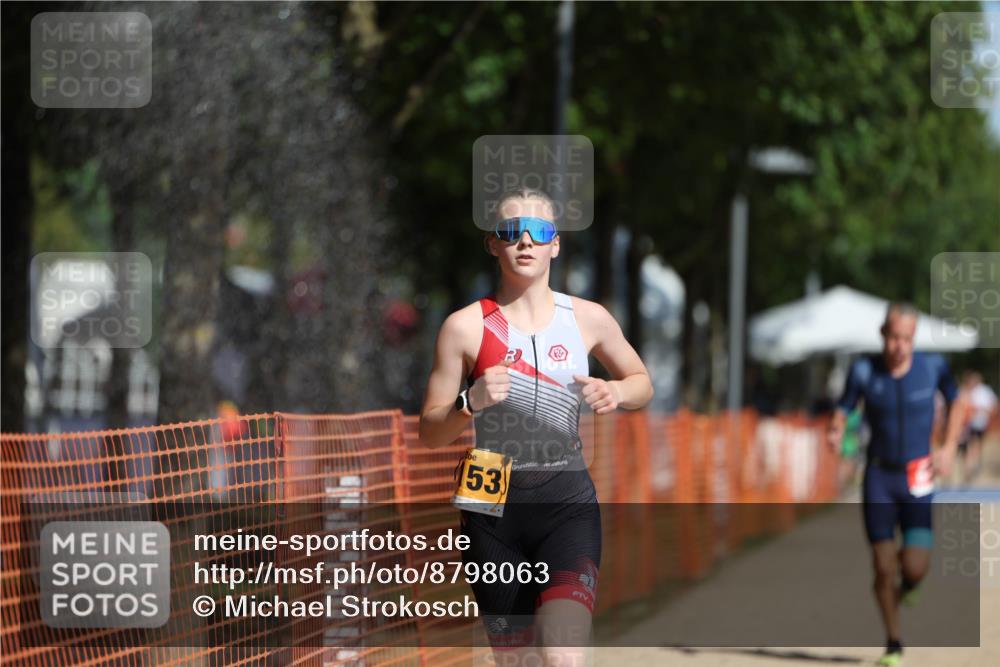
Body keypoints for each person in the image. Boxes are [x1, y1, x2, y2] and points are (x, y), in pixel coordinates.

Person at [419, 187, 653, 666]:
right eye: (510, 231)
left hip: (566, 500)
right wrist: (469, 402)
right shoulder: (465, 327)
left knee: (563, 654)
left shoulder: (588, 318)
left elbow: (642, 382)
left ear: (555, 244)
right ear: (493, 244)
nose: (525, 241)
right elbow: (430, 432)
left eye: (539, 231)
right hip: (490, 506)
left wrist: (616, 392)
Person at [827, 302, 967, 666]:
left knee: (915, 566)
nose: (900, 346)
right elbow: (843, 407)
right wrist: (836, 428)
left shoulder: (932, 367)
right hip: (879, 476)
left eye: (907, 338)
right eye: (893, 337)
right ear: (883, 334)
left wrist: (949, 446)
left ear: (914, 338)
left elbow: (957, 402)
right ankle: (893, 642)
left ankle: (909, 585)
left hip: (918, 475)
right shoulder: (863, 370)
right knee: (883, 564)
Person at [957, 371, 998, 483]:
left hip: (980, 423)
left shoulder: (984, 391)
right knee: (969, 445)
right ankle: (968, 467)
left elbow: (993, 406)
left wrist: (982, 410)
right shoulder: (967, 391)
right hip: (969, 425)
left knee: (976, 445)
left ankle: (973, 465)